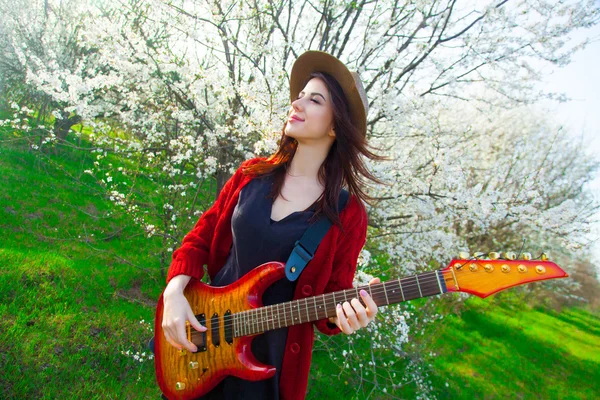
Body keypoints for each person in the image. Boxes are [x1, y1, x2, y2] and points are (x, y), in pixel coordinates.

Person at [160, 50, 387, 400]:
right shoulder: (252, 173)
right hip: (204, 339)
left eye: (314, 100)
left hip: (266, 370)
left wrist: (348, 316)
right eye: (299, 96)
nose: (296, 103)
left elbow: (332, 297)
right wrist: (174, 291)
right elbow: (200, 238)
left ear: (334, 124)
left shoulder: (348, 214)